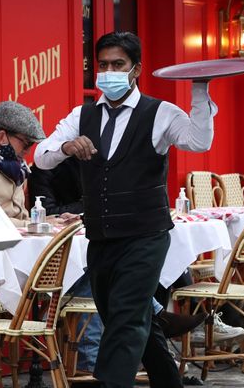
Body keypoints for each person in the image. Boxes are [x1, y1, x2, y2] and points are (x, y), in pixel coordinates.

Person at [34, 31, 219, 387]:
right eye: (102, 65)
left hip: (146, 237)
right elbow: (42, 156)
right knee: (128, 316)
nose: (109, 72)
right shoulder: (81, 115)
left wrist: (199, 89)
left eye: (118, 64)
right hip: (101, 238)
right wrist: (68, 148)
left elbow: (199, 140)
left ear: (135, 69)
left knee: (125, 319)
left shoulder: (160, 112)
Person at [29, 159, 210, 375]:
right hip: (56, 262)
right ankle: (153, 325)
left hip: (90, 242)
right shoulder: (46, 169)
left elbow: (112, 200)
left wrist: (92, 206)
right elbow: (49, 209)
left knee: (138, 256)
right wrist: (91, 205)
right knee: (102, 264)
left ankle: (145, 341)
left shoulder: (100, 164)